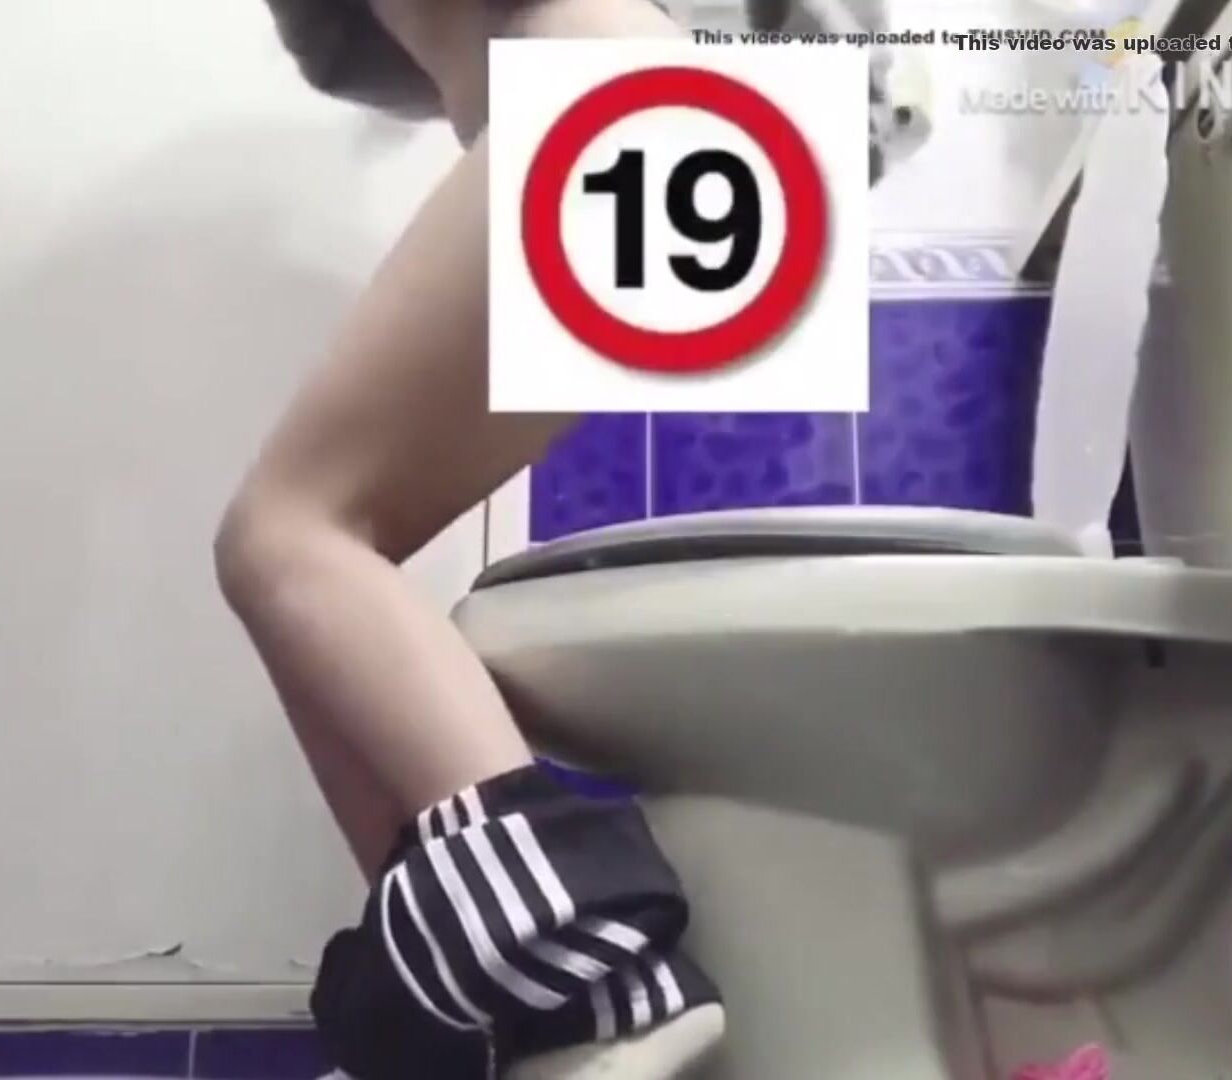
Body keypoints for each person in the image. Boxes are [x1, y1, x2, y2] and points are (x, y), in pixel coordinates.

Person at [218, 1, 889, 1075]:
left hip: (624, 96)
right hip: (681, 118)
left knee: (286, 537)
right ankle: (483, 1005)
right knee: (330, 554)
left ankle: (588, 986)